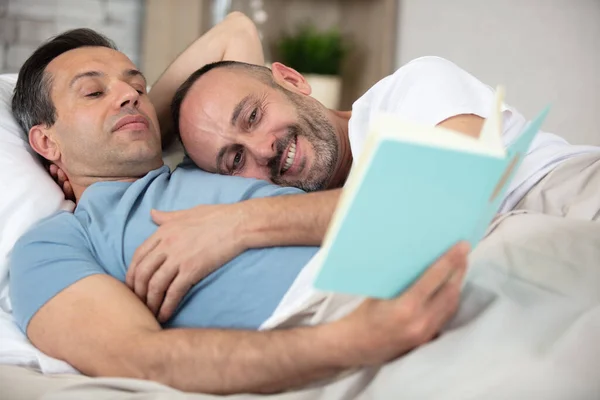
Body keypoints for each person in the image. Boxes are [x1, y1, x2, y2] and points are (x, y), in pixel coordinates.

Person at [8, 13, 469, 395]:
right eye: (93, 92)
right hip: (344, 326)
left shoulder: (215, 161)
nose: (129, 94)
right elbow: (138, 357)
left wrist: (142, 113)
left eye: (138, 86)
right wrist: (349, 340)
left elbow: (236, 31)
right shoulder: (54, 244)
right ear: (45, 140)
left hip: (432, 248)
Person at [124, 35, 600, 316]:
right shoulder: (306, 222)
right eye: (233, 160)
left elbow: (440, 200)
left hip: (565, 196)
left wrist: (234, 226)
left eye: (251, 116)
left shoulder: (412, 87)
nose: (263, 150)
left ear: (291, 80)